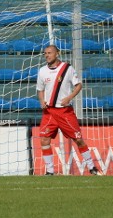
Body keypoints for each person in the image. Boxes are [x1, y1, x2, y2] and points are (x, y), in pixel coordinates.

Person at [36, 45, 101, 176]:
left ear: (57, 54)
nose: (47, 55)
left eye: (49, 53)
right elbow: (40, 89)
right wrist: (41, 101)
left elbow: (78, 85)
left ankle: (92, 167)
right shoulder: (42, 71)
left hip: (65, 111)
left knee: (78, 139)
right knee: (44, 139)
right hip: (49, 112)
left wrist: (69, 97)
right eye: (45, 53)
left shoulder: (67, 69)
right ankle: (49, 171)